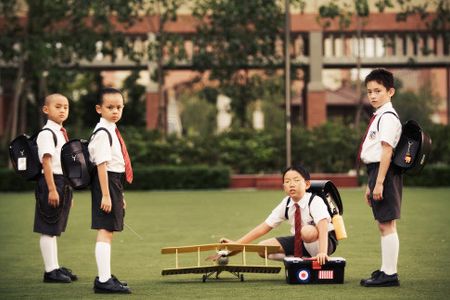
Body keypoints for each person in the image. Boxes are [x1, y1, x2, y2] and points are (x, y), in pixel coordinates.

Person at [219, 164, 337, 265]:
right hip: (300, 242)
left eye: (296, 180)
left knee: (306, 231)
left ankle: (316, 256)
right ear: (283, 186)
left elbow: (323, 226)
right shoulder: (286, 202)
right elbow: (263, 228)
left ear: (307, 184)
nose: (291, 184)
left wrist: (322, 252)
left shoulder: (315, 201)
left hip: (324, 241)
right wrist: (236, 244)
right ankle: (299, 260)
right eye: (287, 181)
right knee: (262, 249)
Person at [359, 68, 402, 287]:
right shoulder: (380, 115)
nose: (373, 95)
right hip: (377, 172)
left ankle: (390, 274)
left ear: (390, 91)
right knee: (384, 224)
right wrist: (372, 183)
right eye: (369, 92)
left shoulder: (387, 117)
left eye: (378, 90)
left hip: (384, 171)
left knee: (387, 224)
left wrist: (379, 182)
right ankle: (386, 270)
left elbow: (386, 151)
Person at [88, 87, 132, 294]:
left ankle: (105, 276)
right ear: (99, 109)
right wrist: (106, 195)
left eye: (119, 107)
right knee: (105, 231)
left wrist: (118, 194)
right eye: (110, 107)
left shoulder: (111, 129)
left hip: (113, 182)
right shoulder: (103, 133)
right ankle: (103, 280)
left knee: (109, 231)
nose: (115, 111)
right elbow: (102, 166)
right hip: (106, 182)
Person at [35, 93, 77, 283]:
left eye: (65, 107)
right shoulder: (47, 134)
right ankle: (50, 270)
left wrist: (69, 192)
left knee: (55, 226)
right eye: (58, 106)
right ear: (46, 109)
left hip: (63, 182)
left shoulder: (60, 132)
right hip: (52, 182)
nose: (62, 110)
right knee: (49, 226)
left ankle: (55, 266)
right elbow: (46, 163)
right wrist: (52, 189)